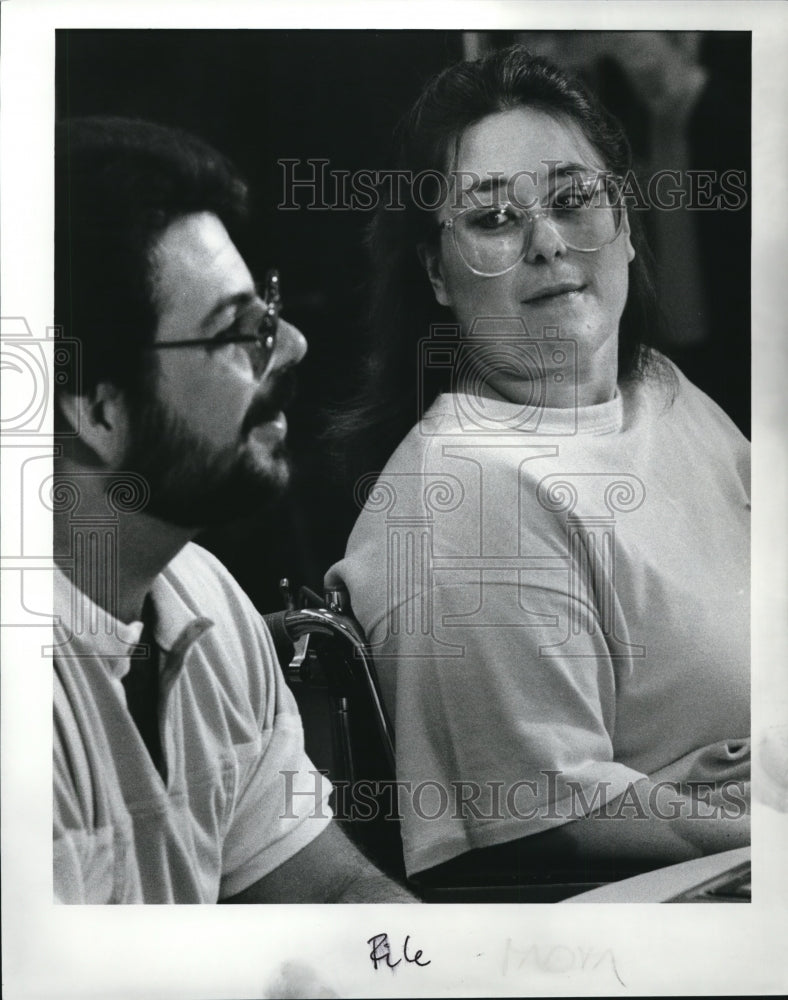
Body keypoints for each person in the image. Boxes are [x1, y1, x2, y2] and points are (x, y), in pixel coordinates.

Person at [326, 46, 750, 881]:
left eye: (574, 199)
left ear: (625, 222)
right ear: (435, 274)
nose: (548, 243)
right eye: (492, 220)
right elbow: (549, 815)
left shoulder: (665, 392)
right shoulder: (466, 485)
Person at [53, 116, 415, 904]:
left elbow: (331, 896)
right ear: (98, 410)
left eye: (269, 311)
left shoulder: (202, 598)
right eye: (240, 331)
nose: (291, 346)